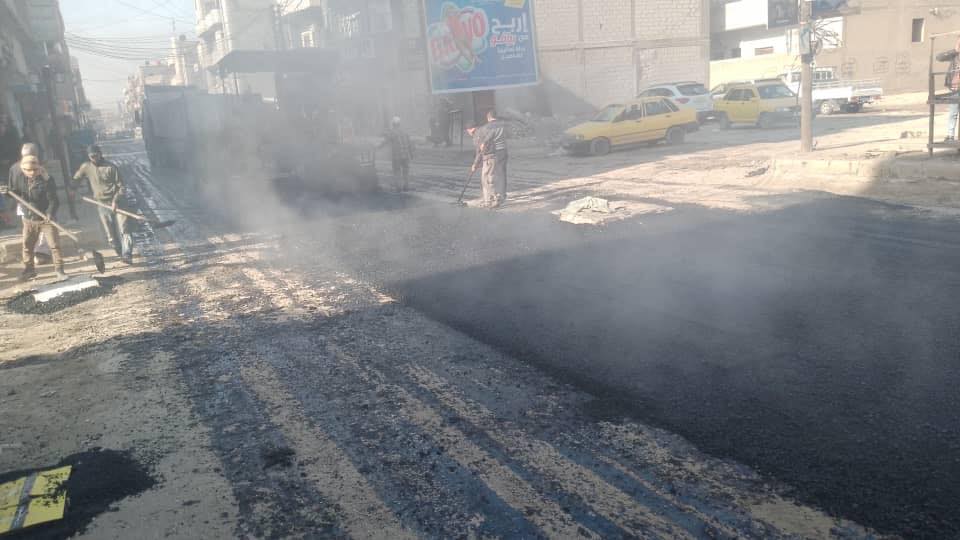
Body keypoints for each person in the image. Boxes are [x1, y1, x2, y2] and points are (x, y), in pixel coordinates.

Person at [1, 150, 64, 280]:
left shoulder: (47, 180)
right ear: (23, 170)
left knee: (54, 246)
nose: (32, 173)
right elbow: (17, 194)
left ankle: (59, 270)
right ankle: (29, 270)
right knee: (27, 246)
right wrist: (7, 192)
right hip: (28, 219)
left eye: (35, 170)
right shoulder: (20, 178)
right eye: (28, 170)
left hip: (46, 219)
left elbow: (54, 201)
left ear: (39, 167)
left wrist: (50, 213)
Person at [73, 145, 133, 264]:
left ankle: (127, 254)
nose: (94, 158)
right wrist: (73, 189)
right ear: (89, 157)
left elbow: (122, 187)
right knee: (110, 234)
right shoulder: (86, 167)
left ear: (100, 154)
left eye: (96, 156)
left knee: (124, 229)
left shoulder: (111, 167)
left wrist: (115, 200)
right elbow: (76, 179)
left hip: (118, 202)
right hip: (102, 204)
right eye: (91, 157)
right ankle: (119, 251)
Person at [471, 110, 509, 208]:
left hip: (495, 151)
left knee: (491, 176)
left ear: (488, 118)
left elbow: (487, 139)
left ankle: (493, 198)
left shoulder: (488, 127)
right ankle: (502, 195)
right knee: (502, 174)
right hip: (504, 150)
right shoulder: (503, 125)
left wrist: (483, 145)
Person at [379, 117, 415, 192]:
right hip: (406, 155)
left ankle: (398, 188)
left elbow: (385, 142)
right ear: (399, 124)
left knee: (397, 171)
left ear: (393, 124)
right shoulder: (405, 132)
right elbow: (410, 144)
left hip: (397, 156)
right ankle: (406, 187)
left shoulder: (392, 133)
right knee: (405, 172)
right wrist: (411, 154)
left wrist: (377, 147)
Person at [0, 112, 22, 228]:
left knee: (10, 190)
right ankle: (5, 220)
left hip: (11, 165)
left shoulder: (10, 134)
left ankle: (8, 218)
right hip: (4, 167)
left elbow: (16, 148)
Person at [943, 36, 960, 141]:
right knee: (953, 113)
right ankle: (950, 135)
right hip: (954, 88)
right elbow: (939, 57)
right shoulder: (954, 55)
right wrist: (954, 51)